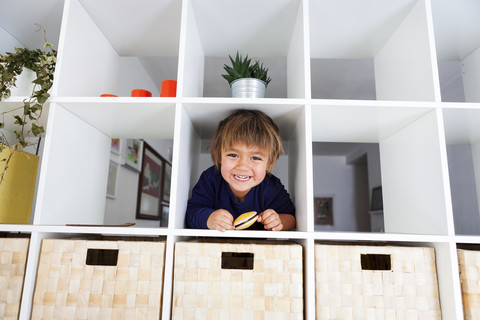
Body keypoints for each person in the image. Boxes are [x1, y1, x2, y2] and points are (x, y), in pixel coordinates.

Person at [186, 109, 296, 231]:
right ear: (220, 156)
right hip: (214, 245)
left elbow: (291, 218)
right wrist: (209, 219)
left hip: (258, 248)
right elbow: (191, 213)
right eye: (233, 155)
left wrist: (277, 221)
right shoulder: (210, 179)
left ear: (268, 163)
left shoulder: (272, 186)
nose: (243, 166)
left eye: (255, 158)